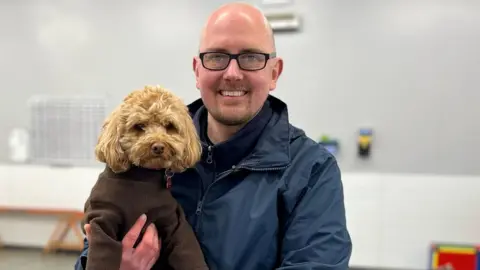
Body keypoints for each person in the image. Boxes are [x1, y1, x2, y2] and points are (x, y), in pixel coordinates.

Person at [75, 2, 352, 269]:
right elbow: (93, 250)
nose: (232, 73)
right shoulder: (144, 158)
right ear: (198, 71)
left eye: (251, 57)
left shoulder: (311, 171)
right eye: (217, 57)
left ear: (274, 72)